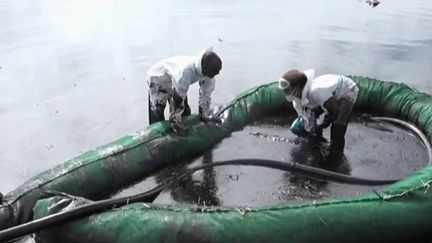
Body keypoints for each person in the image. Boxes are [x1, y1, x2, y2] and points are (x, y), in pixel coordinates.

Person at [279, 69, 359, 162]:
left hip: (346, 90)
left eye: (287, 90)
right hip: (328, 95)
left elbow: (335, 109)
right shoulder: (296, 103)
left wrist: (326, 121)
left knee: (338, 121)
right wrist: (311, 134)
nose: (285, 92)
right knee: (314, 113)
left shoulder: (316, 91)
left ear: (298, 87)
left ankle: (336, 155)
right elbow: (308, 120)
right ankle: (320, 137)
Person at [147, 47, 222, 133]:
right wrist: (175, 123)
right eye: (214, 72)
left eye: (217, 72)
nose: (217, 74)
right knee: (158, 111)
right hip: (158, 77)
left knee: (185, 112)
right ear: (205, 68)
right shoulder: (186, 70)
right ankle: (156, 136)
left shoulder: (209, 73)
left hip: (175, 78)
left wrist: (204, 115)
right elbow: (178, 98)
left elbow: (206, 94)